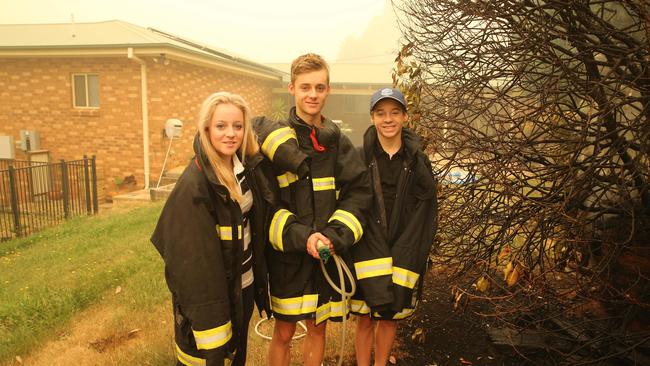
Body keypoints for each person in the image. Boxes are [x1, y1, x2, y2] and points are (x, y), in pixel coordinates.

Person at [253, 53, 371, 366]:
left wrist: (334, 236)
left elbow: (359, 194)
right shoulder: (277, 143)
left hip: (325, 256)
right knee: (284, 332)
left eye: (320, 87)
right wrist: (302, 236)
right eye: (305, 87)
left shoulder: (337, 144)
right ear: (291, 89)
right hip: (288, 257)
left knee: (318, 330)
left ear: (328, 90)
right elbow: (268, 203)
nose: (313, 95)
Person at [151, 92, 273, 366]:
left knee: (237, 357)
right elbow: (192, 267)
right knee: (212, 358)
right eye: (221, 126)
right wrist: (212, 320)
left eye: (238, 126)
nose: (231, 134)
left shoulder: (242, 167)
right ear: (206, 129)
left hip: (243, 286)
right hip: (213, 299)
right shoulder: (195, 185)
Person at [351, 87, 438, 366]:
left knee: (390, 318)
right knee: (364, 317)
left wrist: (414, 249)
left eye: (394, 112)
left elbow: (426, 208)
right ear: (372, 117)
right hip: (367, 248)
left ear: (405, 116)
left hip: (403, 248)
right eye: (381, 113)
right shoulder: (359, 157)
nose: (388, 119)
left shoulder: (417, 161)